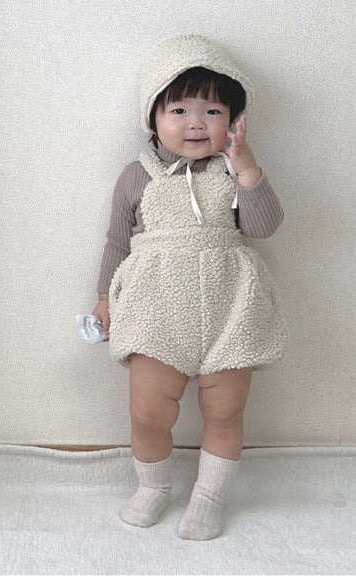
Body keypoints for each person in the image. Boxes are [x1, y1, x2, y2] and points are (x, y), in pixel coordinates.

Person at [92, 34, 286, 541]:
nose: (196, 123)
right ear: (154, 117)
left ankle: (209, 498)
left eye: (212, 111)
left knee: (225, 410)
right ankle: (154, 487)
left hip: (230, 307)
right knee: (147, 412)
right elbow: (117, 242)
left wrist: (246, 166)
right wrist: (105, 298)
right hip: (157, 307)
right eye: (178, 110)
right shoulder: (136, 176)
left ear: (233, 120)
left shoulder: (233, 171)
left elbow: (263, 226)